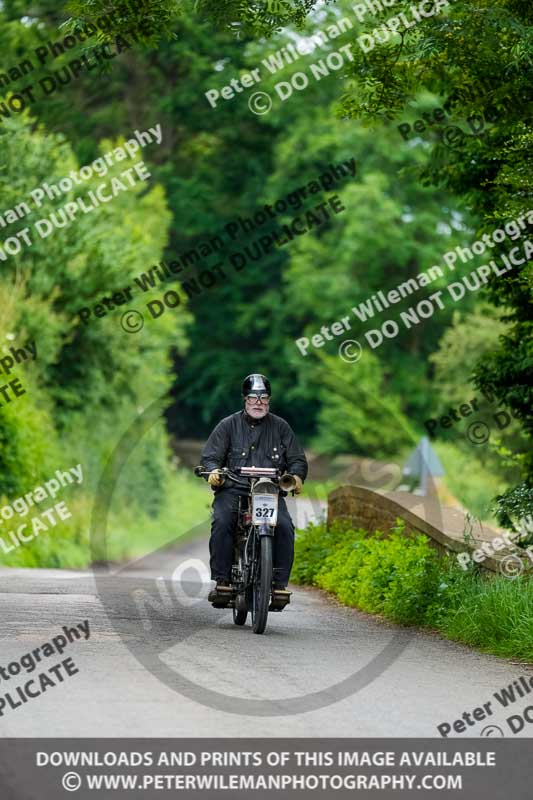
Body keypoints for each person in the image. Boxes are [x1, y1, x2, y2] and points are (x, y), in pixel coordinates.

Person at [201, 373, 308, 603]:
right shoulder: (227, 425)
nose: (258, 402)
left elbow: (297, 459)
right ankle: (222, 582)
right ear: (245, 399)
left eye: (263, 397)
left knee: (286, 527)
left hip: (269, 491)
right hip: (233, 488)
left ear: (269, 400)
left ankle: (279, 585)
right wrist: (213, 472)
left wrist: (297, 476)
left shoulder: (281, 427)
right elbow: (211, 457)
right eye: (253, 397)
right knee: (222, 522)